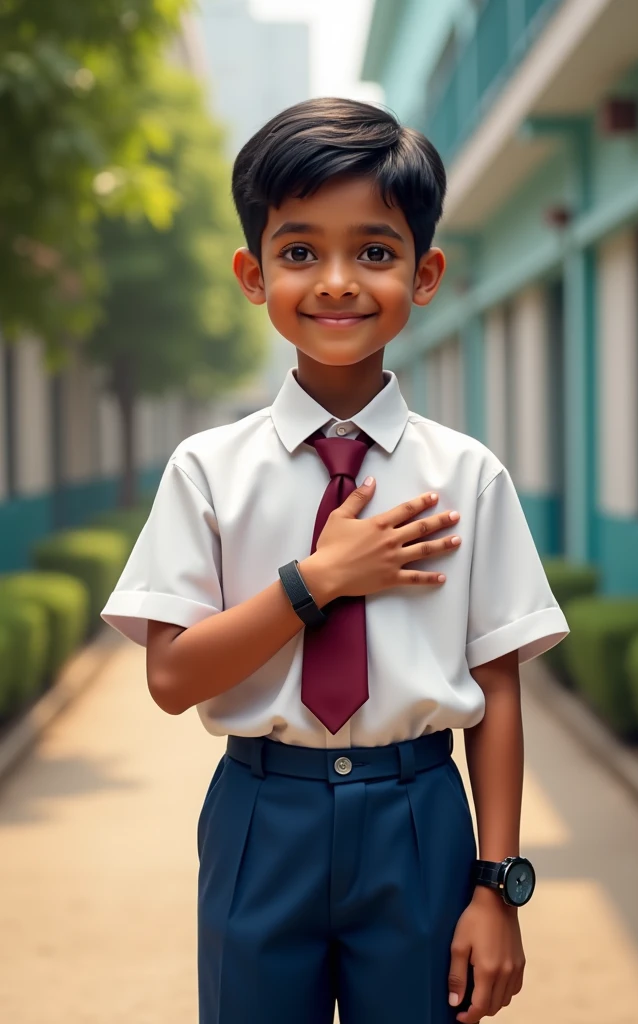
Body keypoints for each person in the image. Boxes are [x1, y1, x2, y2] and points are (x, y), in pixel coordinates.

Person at [100, 97, 570, 1024]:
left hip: (419, 816)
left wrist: (497, 888)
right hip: (260, 815)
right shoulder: (208, 470)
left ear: (426, 272)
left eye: (377, 251)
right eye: (301, 251)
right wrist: (318, 580)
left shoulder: (466, 476)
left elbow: (499, 686)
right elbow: (170, 677)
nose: (339, 282)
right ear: (253, 272)